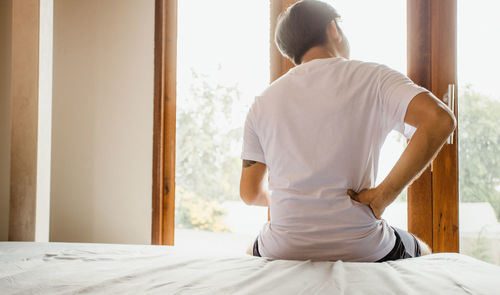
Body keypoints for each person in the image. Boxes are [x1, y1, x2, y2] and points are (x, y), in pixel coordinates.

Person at [239, 0, 455, 262]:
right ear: (333, 29)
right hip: (363, 246)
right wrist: (383, 195)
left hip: (283, 247)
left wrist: (293, 201)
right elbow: (440, 120)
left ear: (290, 52)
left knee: (251, 250)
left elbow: (249, 195)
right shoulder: (375, 78)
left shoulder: (263, 102)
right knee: (424, 250)